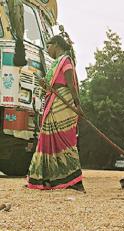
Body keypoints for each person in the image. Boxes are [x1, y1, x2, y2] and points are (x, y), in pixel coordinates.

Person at [27, 35, 85, 192]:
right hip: (53, 102)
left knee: (64, 141)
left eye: (49, 45)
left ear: (57, 45)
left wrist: (78, 106)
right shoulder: (55, 64)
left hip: (63, 104)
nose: (47, 49)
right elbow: (51, 86)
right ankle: (45, 180)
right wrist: (44, 84)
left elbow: (71, 86)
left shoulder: (66, 61)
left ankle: (75, 181)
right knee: (46, 139)